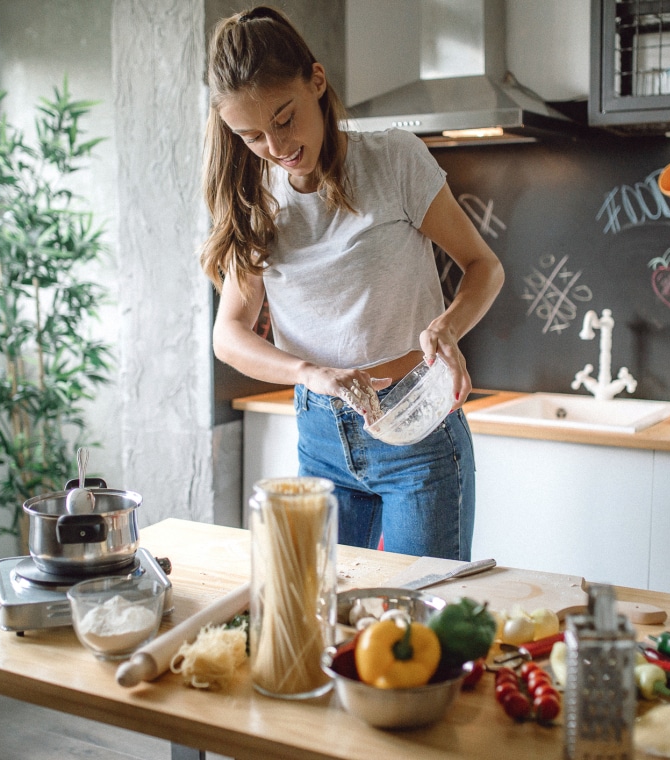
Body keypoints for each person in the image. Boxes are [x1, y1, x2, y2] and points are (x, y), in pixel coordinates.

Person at [201, 6, 504, 561]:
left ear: (316, 81)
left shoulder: (394, 161)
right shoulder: (257, 198)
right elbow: (230, 334)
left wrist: (446, 326)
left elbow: (484, 266)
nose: (276, 146)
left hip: (416, 427)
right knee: (325, 616)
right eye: (251, 136)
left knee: (420, 621)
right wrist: (309, 373)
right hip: (319, 435)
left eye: (286, 118)